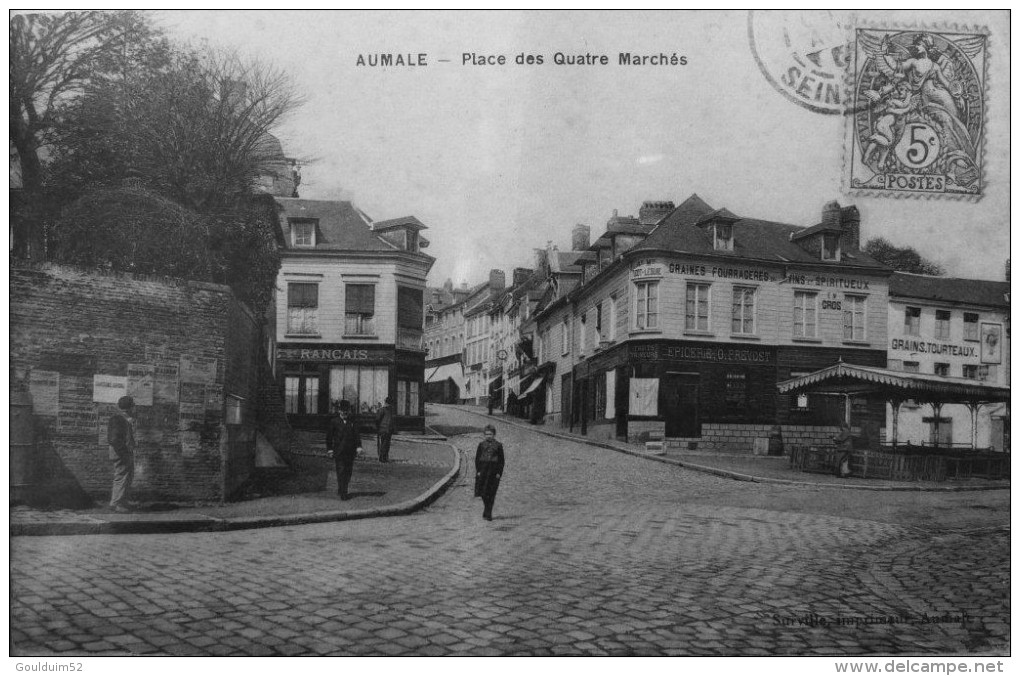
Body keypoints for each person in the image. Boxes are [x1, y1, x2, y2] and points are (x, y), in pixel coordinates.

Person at [327, 400, 363, 500]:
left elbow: (357, 435)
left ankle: (342, 488)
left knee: (348, 471)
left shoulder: (353, 421)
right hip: (339, 451)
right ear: (339, 411)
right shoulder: (334, 422)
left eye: (346, 410)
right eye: (343, 410)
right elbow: (329, 437)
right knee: (341, 471)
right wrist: (330, 450)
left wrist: (359, 447)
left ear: (349, 411)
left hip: (350, 451)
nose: (345, 412)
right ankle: (344, 492)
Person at [107, 395, 137, 513]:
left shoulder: (124, 419)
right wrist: (124, 453)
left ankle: (122, 501)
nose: (135, 408)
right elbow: (114, 439)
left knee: (127, 477)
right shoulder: (118, 419)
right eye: (133, 405)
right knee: (121, 477)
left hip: (124, 452)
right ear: (129, 407)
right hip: (120, 453)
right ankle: (116, 503)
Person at [474, 424, 505, 521]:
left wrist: (499, 473)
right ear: (484, 435)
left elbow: (501, 461)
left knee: (491, 493)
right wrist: (478, 471)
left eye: (490, 434)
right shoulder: (481, 445)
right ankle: (487, 509)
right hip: (483, 470)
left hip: (493, 471)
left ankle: (488, 513)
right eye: (486, 434)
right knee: (482, 492)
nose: (488, 436)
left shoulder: (498, 446)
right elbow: (477, 459)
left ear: (494, 435)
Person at [375, 396, 395, 463]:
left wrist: (378, 427)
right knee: (385, 444)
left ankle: (384, 457)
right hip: (385, 429)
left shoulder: (383, 410)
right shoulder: (388, 410)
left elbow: (377, 419)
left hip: (385, 429)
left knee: (385, 444)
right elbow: (378, 419)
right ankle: (383, 458)